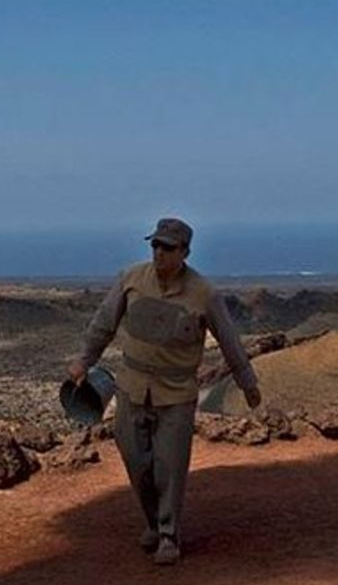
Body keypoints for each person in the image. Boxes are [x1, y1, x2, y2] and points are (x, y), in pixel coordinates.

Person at [68, 217, 262, 566]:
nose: (159, 252)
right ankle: (153, 521)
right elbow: (103, 323)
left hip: (176, 393)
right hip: (131, 387)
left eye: (167, 247)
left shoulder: (204, 293)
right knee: (136, 460)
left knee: (169, 466)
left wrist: (248, 383)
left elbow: (229, 340)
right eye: (155, 245)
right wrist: (84, 360)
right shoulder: (131, 280)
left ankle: (169, 533)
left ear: (184, 252)